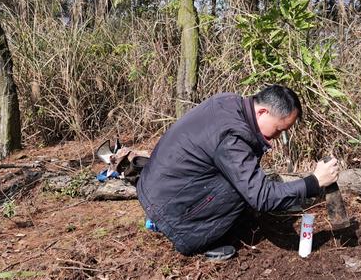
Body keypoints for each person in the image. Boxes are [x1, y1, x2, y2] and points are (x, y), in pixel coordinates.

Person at [136, 84, 340, 261]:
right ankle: (199, 238)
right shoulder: (233, 138)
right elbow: (262, 197)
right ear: (262, 112)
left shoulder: (230, 102)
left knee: (244, 181)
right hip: (171, 213)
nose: (278, 136)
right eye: (279, 129)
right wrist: (314, 182)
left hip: (157, 188)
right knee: (240, 189)